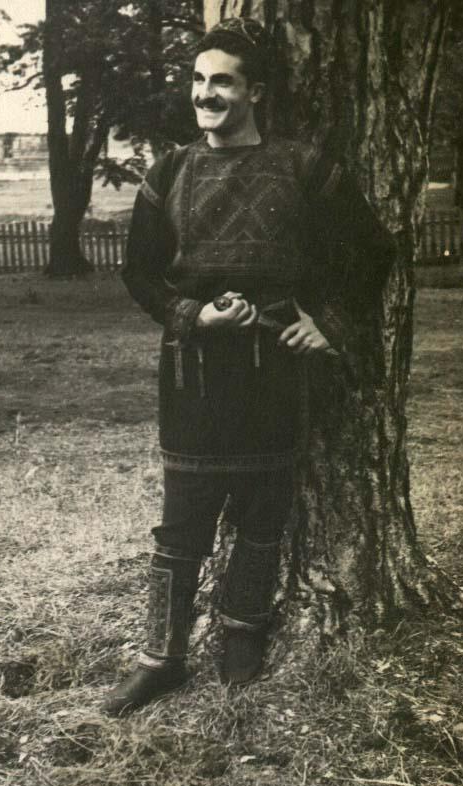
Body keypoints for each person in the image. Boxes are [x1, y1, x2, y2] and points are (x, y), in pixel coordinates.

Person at [103, 17, 396, 717]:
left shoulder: (302, 168)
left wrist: (326, 323)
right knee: (182, 525)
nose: (205, 94)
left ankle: (242, 636)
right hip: (194, 374)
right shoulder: (168, 172)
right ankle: (160, 658)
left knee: (264, 516)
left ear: (255, 92)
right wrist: (192, 315)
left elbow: (372, 251)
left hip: (274, 370)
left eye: (223, 82)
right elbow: (139, 272)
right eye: (198, 80)